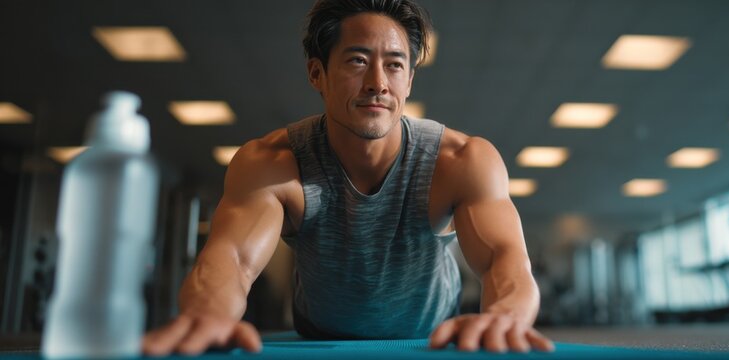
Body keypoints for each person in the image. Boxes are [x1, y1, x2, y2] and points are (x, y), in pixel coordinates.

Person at [142, 0, 553, 355]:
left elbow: (505, 257)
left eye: (394, 65)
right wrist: (208, 314)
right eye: (357, 61)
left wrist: (506, 315)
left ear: (408, 80)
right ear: (317, 73)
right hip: (318, 339)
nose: (378, 84)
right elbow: (231, 260)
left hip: (429, 338)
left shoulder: (461, 161)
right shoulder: (273, 162)